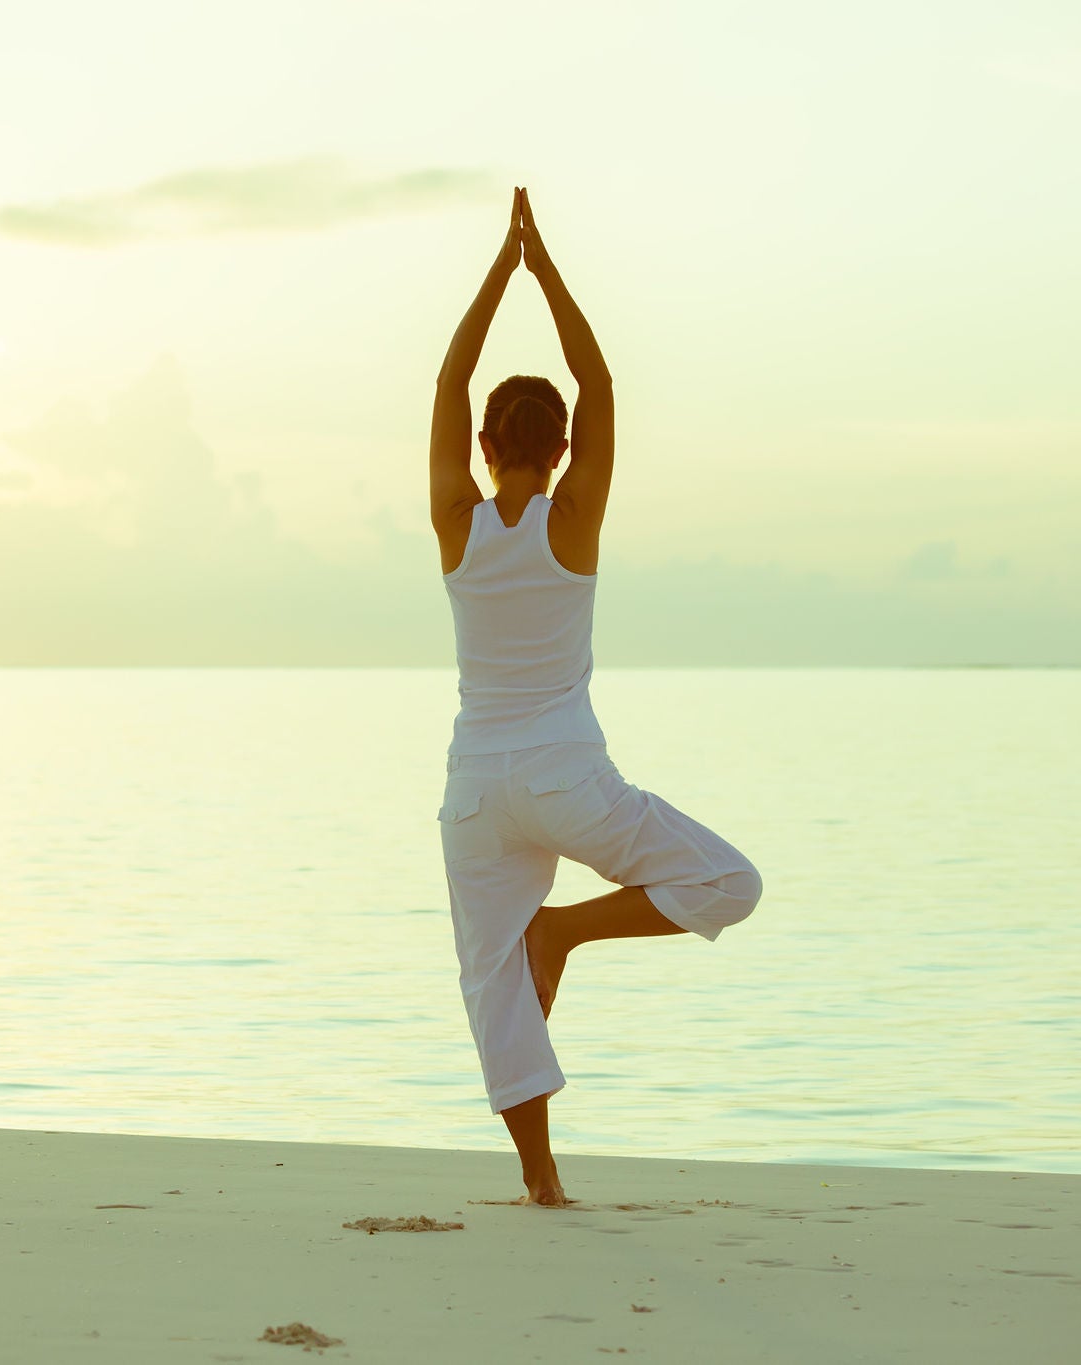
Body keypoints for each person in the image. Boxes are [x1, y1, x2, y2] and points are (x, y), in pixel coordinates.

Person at [430, 187, 764, 1208]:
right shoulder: (571, 518)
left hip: (476, 788)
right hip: (566, 775)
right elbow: (598, 377)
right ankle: (565, 930)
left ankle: (541, 1183)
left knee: (492, 985)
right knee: (725, 883)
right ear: (563, 448)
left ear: (486, 446)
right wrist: (545, 266)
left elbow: (448, 375)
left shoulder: (457, 521)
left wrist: (500, 267)